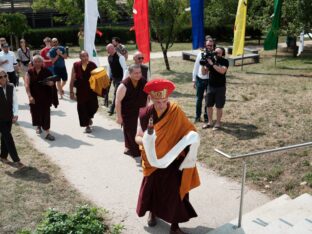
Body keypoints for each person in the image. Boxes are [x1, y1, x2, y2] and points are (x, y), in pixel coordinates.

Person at [135, 79, 200, 234]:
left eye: (164, 101)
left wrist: (191, 141)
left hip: (173, 160)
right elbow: (137, 137)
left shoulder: (175, 111)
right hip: (153, 161)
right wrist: (146, 141)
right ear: (151, 99)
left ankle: (175, 225)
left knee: (176, 193)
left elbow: (190, 131)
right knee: (153, 189)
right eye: (158, 102)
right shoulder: (144, 115)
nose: (162, 105)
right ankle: (153, 213)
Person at [115, 64, 148, 157]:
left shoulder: (143, 81)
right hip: (128, 114)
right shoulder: (123, 85)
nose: (138, 75)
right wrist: (119, 116)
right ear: (129, 74)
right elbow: (118, 101)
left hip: (141, 112)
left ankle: (130, 147)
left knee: (141, 131)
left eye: (140, 73)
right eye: (135, 73)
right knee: (131, 132)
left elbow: (148, 96)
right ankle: (132, 149)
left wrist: (147, 108)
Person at [25, 55, 58, 141]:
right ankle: (38, 126)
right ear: (33, 62)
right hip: (34, 97)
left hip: (45, 97)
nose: (37, 63)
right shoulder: (29, 72)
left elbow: (53, 82)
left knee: (46, 114)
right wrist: (29, 96)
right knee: (35, 113)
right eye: (35, 61)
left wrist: (51, 84)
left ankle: (47, 133)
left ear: (42, 62)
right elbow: (27, 85)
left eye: (39, 61)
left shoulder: (47, 71)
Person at [0, 68, 24, 169]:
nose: (3, 78)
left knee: (5, 137)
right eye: (0, 77)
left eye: (5, 75)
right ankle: (16, 160)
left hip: (9, 117)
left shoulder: (11, 86)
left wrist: (15, 114)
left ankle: (3, 156)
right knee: (8, 137)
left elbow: (15, 101)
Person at [69, 51, 98, 133]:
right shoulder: (76, 65)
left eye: (86, 56)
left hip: (91, 90)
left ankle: (89, 117)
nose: (85, 58)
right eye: (82, 56)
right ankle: (87, 125)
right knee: (82, 108)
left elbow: (98, 78)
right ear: (80, 57)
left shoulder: (92, 65)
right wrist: (71, 92)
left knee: (94, 106)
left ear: (88, 56)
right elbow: (72, 79)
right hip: (81, 90)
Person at [202, 47, 229, 130]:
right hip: (210, 86)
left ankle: (217, 123)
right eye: (215, 52)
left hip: (220, 87)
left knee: (219, 106)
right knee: (208, 105)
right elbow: (203, 73)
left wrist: (212, 64)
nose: (216, 54)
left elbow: (222, 71)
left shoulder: (224, 61)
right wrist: (203, 64)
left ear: (222, 54)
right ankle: (210, 122)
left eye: (218, 53)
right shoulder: (210, 60)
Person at [192, 39, 215, 123]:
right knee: (199, 98)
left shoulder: (214, 55)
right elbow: (196, 67)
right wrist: (194, 80)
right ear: (205, 45)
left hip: (209, 80)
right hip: (200, 79)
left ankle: (206, 117)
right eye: (208, 45)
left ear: (213, 46)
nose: (210, 47)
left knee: (208, 99)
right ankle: (197, 116)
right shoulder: (200, 54)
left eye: (211, 45)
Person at [106, 43, 127, 115]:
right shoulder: (109, 57)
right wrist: (109, 77)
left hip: (120, 78)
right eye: (108, 50)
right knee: (120, 94)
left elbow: (125, 69)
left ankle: (111, 109)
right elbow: (109, 67)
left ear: (113, 48)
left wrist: (123, 80)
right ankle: (122, 107)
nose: (109, 51)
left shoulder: (120, 57)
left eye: (110, 49)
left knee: (116, 93)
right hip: (114, 78)